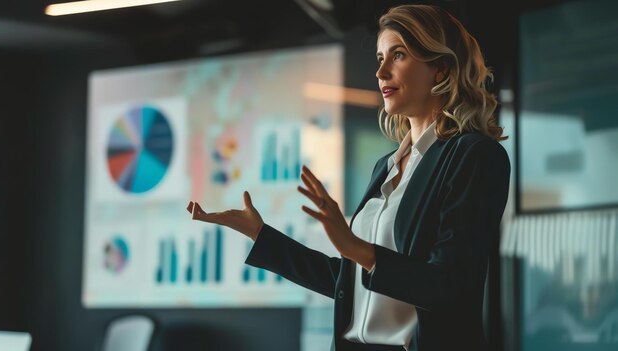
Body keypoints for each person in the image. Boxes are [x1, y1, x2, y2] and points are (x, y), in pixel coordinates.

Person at [186, 4, 510, 351]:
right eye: (379, 57)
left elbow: (450, 286)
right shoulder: (386, 166)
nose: (381, 71)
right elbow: (349, 281)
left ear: (440, 68)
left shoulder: (474, 155)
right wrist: (260, 235)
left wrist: (355, 247)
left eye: (397, 55)